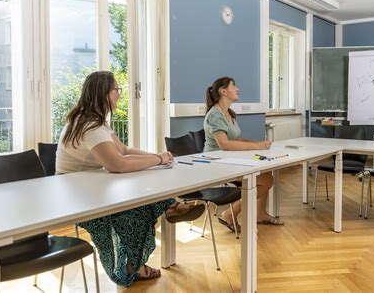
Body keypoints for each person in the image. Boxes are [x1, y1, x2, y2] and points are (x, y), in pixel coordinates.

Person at [56, 71, 204, 286]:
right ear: (104, 93)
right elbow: (117, 164)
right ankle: (135, 262)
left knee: (140, 195)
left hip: (89, 188)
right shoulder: (91, 126)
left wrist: (159, 158)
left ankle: (167, 209)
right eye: (117, 89)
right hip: (78, 197)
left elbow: (124, 151)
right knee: (136, 205)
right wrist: (157, 160)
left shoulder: (94, 122)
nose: (119, 94)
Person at [203, 76, 284, 231]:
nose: (237, 89)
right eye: (234, 86)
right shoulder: (215, 115)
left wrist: (257, 144)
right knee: (266, 180)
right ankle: (229, 213)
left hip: (228, 159)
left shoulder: (229, 113)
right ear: (223, 91)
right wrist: (257, 147)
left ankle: (260, 214)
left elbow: (235, 138)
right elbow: (225, 144)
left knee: (266, 173)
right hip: (215, 162)